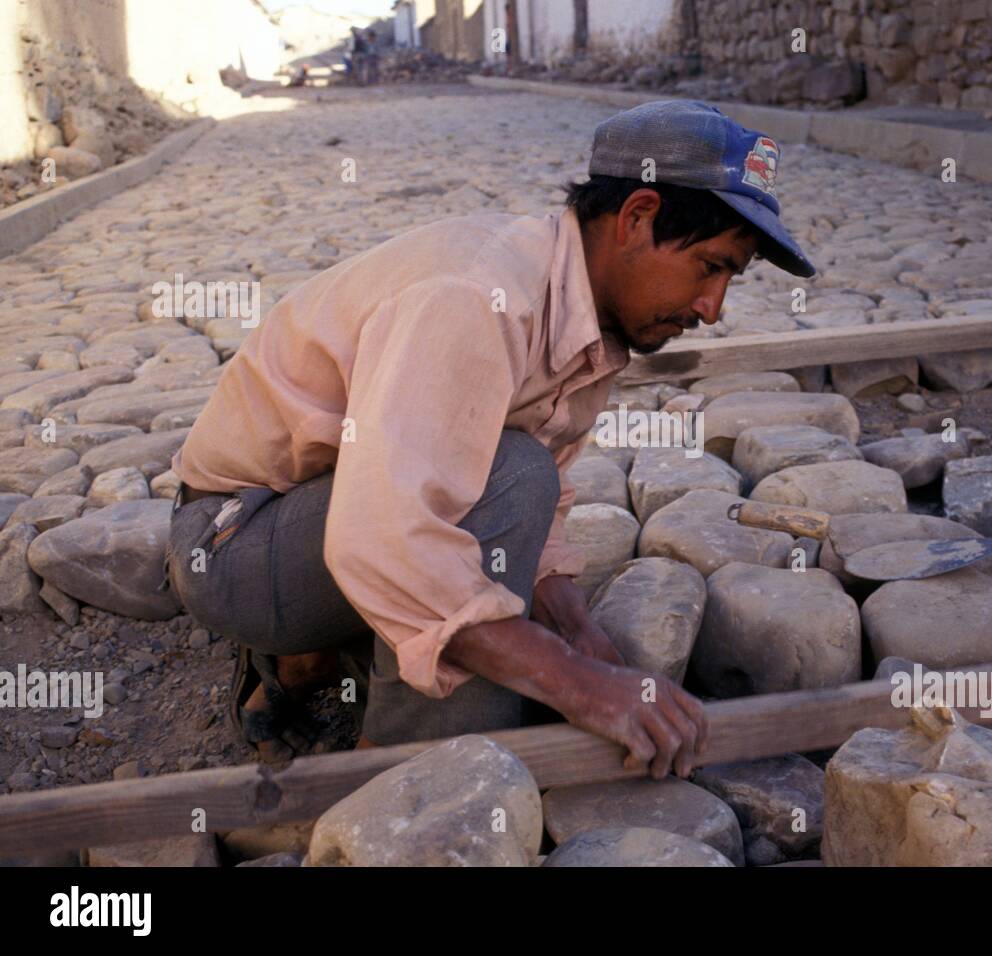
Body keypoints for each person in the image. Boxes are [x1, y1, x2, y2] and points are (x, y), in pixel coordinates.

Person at [163, 100, 816, 776]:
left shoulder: (589, 318)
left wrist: (576, 632)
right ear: (637, 217)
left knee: (516, 496)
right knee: (511, 480)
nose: (713, 309)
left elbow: (533, 513)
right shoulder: (476, 295)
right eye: (711, 267)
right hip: (234, 538)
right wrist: (576, 683)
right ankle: (401, 777)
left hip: (311, 516)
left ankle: (321, 653)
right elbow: (382, 535)